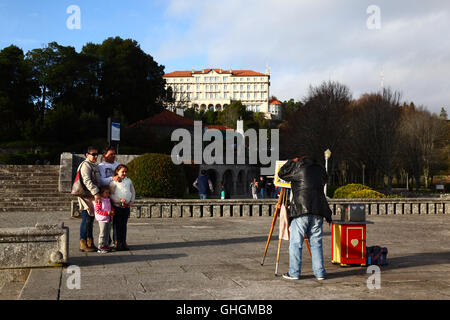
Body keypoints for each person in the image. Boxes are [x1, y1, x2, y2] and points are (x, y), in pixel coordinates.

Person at [278, 156, 332, 281]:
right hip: (318, 209)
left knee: (296, 243)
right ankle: (319, 273)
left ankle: (294, 272)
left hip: (301, 210)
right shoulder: (319, 169)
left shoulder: (298, 167)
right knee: (316, 243)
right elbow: (325, 179)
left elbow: (281, 174)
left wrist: (290, 162)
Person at [78, 146, 101, 252]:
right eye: (93, 154)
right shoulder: (85, 165)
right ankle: (83, 243)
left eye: (97, 154)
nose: (96, 156)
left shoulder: (94, 165)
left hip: (91, 196)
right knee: (86, 219)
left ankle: (90, 242)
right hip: (86, 196)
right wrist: (96, 192)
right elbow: (87, 180)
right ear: (87, 155)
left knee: (90, 220)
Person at [109, 164, 135, 251]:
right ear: (117, 171)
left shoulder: (129, 181)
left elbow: (132, 191)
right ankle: (117, 242)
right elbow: (111, 194)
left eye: (125, 172)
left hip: (126, 207)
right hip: (117, 206)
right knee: (117, 225)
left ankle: (123, 242)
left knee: (124, 225)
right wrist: (119, 200)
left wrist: (131, 201)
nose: (124, 173)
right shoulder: (114, 182)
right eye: (122, 171)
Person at [94, 186, 115, 253]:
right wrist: (106, 213)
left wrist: (112, 211)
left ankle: (106, 245)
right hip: (102, 219)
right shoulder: (99, 201)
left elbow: (110, 207)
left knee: (107, 233)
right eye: (106, 192)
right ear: (102, 193)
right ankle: (100, 247)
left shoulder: (108, 200)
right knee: (102, 233)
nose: (108, 194)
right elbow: (97, 211)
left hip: (108, 218)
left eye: (108, 193)